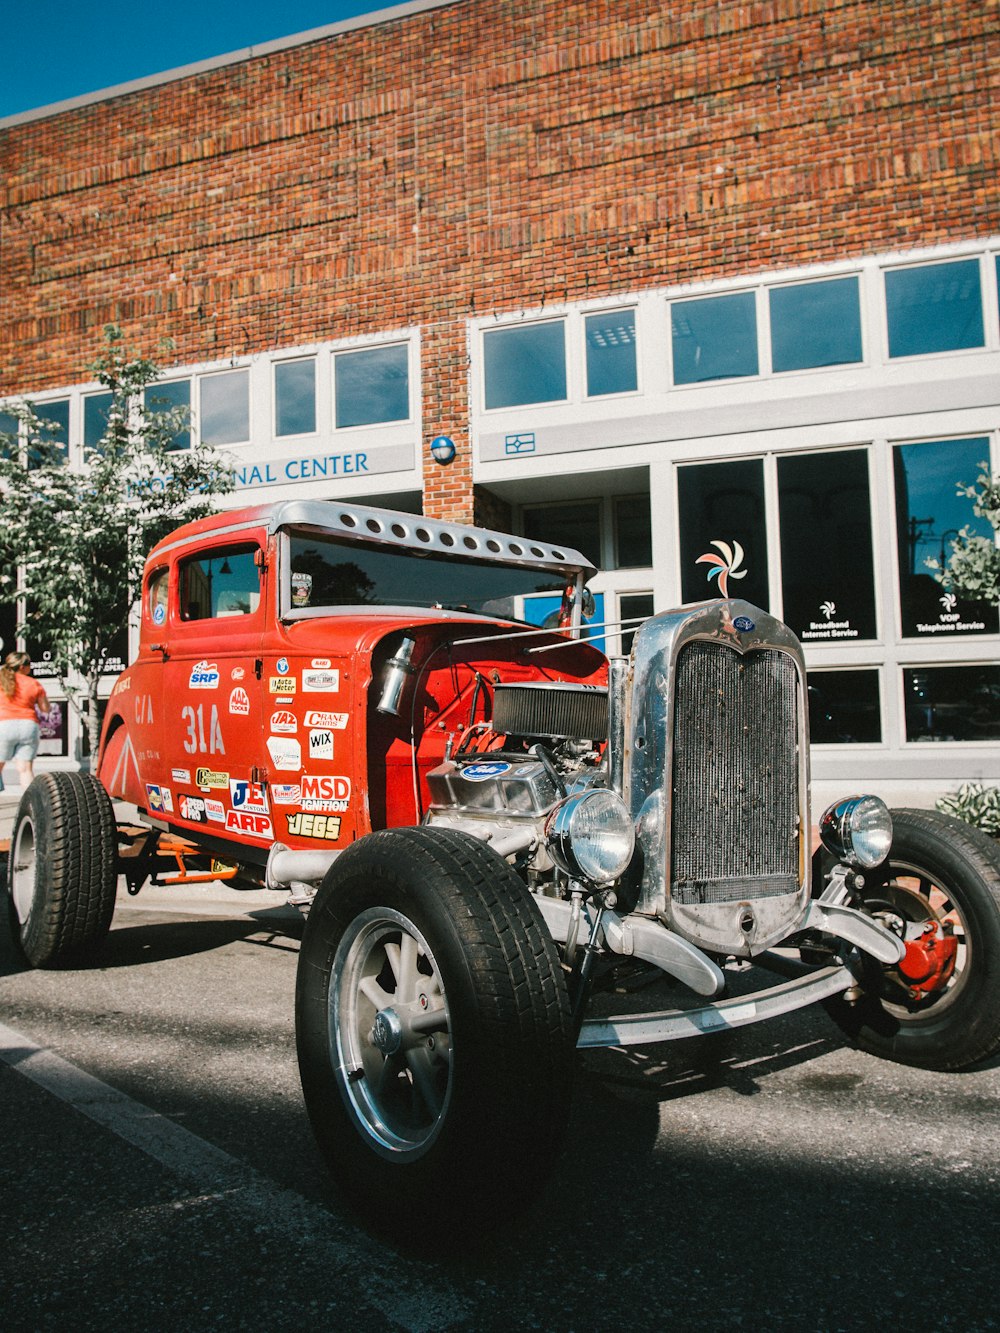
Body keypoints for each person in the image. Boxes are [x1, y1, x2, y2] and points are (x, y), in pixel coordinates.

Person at [0, 652, 50, 791]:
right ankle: (30, 808)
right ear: (22, 666)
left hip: (4, 725)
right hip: (28, 726)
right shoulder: (33, 683)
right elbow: (45, 709)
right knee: (25, 769)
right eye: (29, 664)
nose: (31, 667)